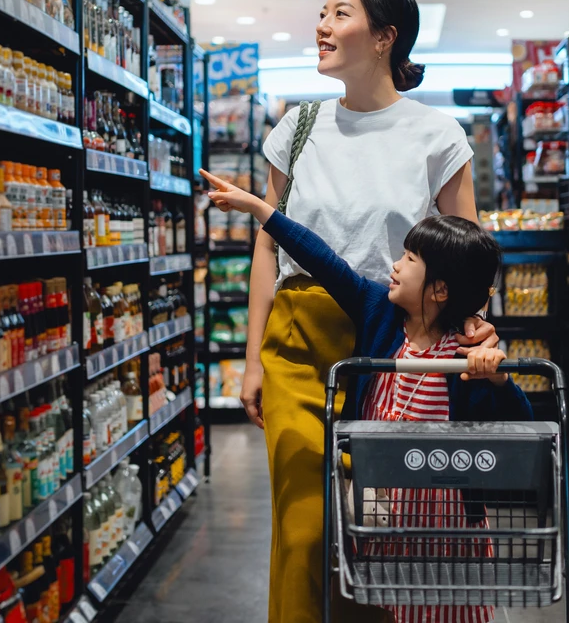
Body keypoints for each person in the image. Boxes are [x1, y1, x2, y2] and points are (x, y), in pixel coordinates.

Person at [243, 0, 498, 623]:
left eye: (340, 14)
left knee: (381, 528)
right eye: (321, 12)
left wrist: (475, 334)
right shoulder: (296, 130)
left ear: (385, 37)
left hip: (395, 349)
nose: (322, 25)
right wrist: (251, 358)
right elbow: (269, 246)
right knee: (304, 532)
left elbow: (466, 250)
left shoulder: (436, 136)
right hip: (297, 345)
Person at [204, 168, 532, 623]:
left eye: (410, 259)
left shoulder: (464, 351)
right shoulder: (378, 311)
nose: (394, 265)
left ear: (439, 289)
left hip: (446, 529)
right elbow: (324, 260)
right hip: (387, 519)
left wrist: (496, 379)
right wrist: (262, 210)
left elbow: (518, 423)